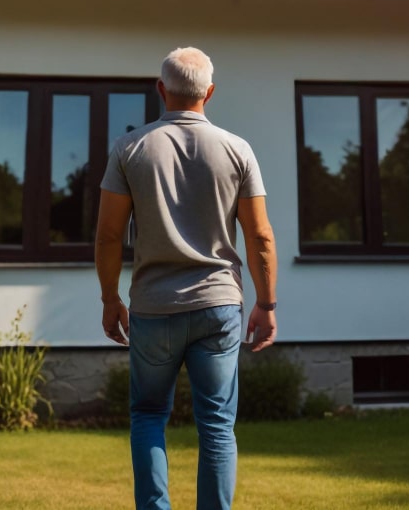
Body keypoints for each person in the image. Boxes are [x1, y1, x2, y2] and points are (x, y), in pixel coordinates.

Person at [95, 46, 278, 510]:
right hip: (218, 306)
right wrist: (266, 303)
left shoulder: (130, 148)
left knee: (149, 416)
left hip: (153, 309)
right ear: (209, 93)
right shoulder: (238, 150)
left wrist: (110, 299)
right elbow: (259, 235)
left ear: (161, 89)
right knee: (216, 425)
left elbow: (108, 234)